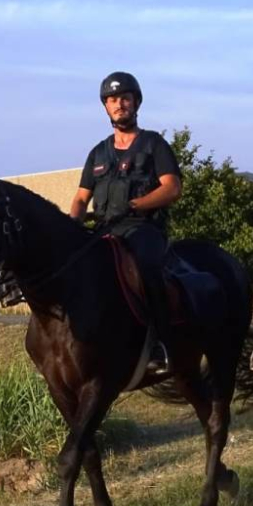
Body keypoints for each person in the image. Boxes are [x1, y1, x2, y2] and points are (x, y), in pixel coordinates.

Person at [68, 71, 182, 373]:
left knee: (145, 267)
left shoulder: (154, 145)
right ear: (106, 107)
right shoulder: (98, 153)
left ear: (136, 103)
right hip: (106, 231)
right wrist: (72, 227)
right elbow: (81, 199)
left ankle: (161, 343)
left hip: (143, 229)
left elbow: (172, 188)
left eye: (125, 98)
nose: (119, 104)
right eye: (113, 100)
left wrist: (134, 205)